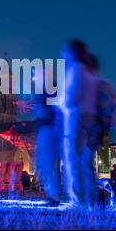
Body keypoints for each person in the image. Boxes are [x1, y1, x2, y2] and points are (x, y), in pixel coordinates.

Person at [60, 39, 99, 206]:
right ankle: (88, 201)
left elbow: (71, 99)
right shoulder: (90, 74)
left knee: (72, 159)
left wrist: (62, 104)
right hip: (89, 118)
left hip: (76, 118)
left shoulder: (75, 71)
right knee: (84, 163)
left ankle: (77, 200)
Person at [34, 66, 64, 206]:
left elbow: (53, 109)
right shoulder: (48, 90)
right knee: (45, 163)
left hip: (49, 128)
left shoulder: (50, 90)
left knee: (46, 163)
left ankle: (54, 195)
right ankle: (54, 194)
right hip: (48, 128)